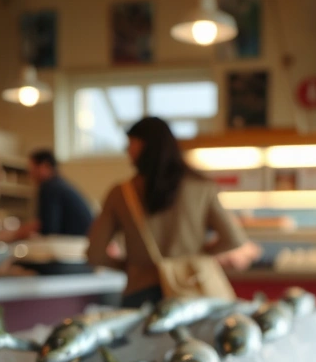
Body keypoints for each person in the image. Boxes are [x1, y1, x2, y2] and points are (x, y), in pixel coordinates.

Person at [86, 117, 260, 307]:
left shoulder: (121, 194)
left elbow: (95, 254)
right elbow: (234, 239)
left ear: (145, 145)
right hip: (192, 291)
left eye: (130, 143)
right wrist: (198, 254)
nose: (126, 150)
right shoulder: (202, 187)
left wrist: (133, 267)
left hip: (141, 295)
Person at [28, 149, 94, 237]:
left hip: (75, 241)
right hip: (84, 237)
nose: (30, 173)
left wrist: (17, 234)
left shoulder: (50, 187)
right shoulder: (58, 184)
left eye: (32, 168)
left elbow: (49, 229)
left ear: (45, 166)